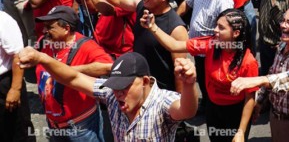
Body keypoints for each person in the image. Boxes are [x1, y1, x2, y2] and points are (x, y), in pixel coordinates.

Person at [18, 49, 199, 142]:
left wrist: (189, 85)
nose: (118, 93)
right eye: (115, 87)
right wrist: (43, 58)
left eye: (124, 87)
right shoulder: (111, 94)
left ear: (144, 82)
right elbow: (73, 78)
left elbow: (186, 110)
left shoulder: (161, 102)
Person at [141, 9, 258, 142]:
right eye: (216, 25)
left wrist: (241, 132)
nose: (215, 30)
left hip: (235, 114)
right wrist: (153, 27)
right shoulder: (211, 44)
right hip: (213, 110)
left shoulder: (248, 62)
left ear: (236, 33)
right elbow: (174, 45)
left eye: (221, 28)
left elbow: (250, 98)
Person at [73, 0, 189, 92]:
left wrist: (178, 101)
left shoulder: (177, 29)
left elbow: (180, 72)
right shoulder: (141, 5)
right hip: (139, 83)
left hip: (161, 90)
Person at [230, 5, 289, 142]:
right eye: (283, 20)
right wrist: (259, 101)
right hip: (276, 119)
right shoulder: (283, 45)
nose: (283, 26)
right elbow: (273, 72)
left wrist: (258, 80)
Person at [33, 6, 113, 141]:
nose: (45, 30)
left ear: (66, 29)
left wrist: (69, 71)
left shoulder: (85, 46)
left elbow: (108, 66)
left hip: (80, 127)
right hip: (54, 124)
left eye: (50, 27)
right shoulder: (44, 42)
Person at [0, 11, 34, 142]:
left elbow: (18, 56)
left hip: (5, 83)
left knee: (17, 130)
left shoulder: (3, 20)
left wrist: (15, 89)